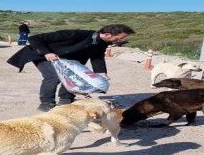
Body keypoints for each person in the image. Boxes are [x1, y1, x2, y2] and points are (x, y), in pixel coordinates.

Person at [7, 24, 135, 111]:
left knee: (72, 78)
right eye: (119, 38)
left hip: (66, 60)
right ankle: (46, 103)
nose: (119, 41)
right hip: (42, 54)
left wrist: (101, 72)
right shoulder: (76, 34)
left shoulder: (102, 43)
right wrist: (47, 52)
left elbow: (97, 57)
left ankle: (66, 100)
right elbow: (34, 38)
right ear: (107, 34)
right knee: (54, 77)